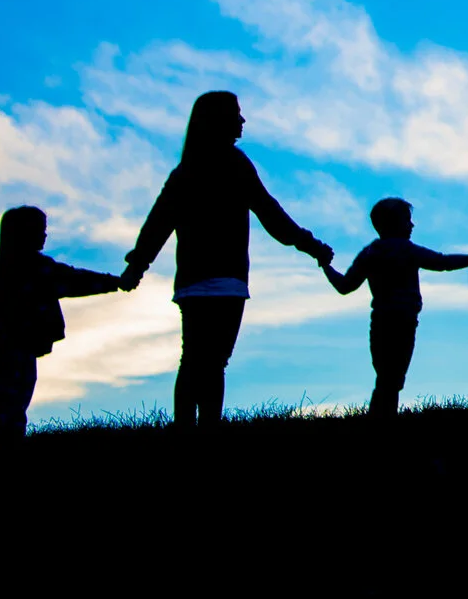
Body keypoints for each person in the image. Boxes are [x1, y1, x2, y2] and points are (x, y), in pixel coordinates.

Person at [124, 90, 334, 430]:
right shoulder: (234, 163)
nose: (242, 120)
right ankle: (206, 430)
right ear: (219, 119)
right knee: (213, 362)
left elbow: (158, 222)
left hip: (193, 283)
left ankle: (186, 430)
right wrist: (312, 246)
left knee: (193, 358)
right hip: (227, 281)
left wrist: (136, 267)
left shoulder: (186, 170)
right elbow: (271, 214)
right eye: (236, 113)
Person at [322, 197, 468, 418]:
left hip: (380, 323)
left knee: (386, 379)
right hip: (403, 322)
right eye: (407, 220)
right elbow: (442, 262)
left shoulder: (370, 253)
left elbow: (345, 286)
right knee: (391, 380)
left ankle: (381, 421)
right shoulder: (406, 250)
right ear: (394, 223)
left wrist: (325, 265)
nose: (412, 225)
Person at [0, 204, 130, 446]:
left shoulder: (13, 265)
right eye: (40, 229)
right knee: (13, 406)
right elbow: (72, 280)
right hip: (16, 346)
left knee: (12, 405)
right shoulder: (30, 266)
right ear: (24, 232)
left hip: (11, 346)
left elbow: (69, 279)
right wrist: (116, 282)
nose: (45, 235)